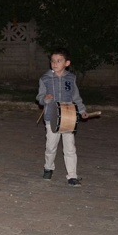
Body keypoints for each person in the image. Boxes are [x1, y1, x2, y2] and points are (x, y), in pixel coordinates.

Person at [37, 48, 88, 187]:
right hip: (51, 117)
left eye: (59, 61)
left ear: (67, 63)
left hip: (69, 117)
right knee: (51, 147)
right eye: (53, 61)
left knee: (70, 148)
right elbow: (39, 97)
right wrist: (44, 99)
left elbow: (76, 97)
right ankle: (48, 167)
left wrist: (82, 110)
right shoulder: (45, 78)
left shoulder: (71, 78)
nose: (55, 63)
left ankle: (72, 176)